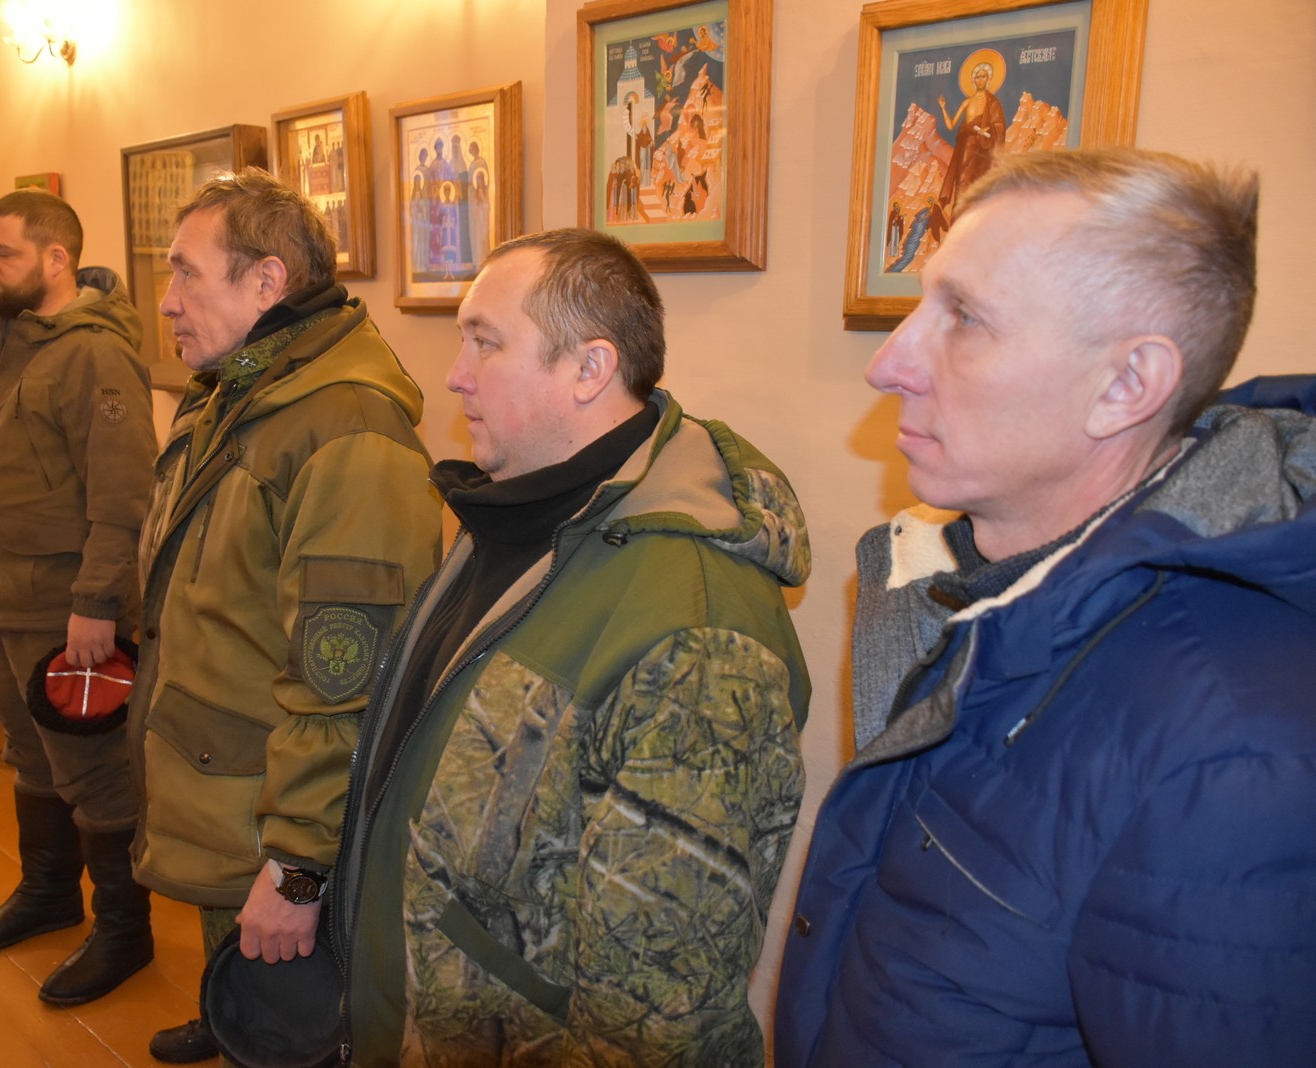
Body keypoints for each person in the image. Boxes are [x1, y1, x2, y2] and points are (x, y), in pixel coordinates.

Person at [775, 148, 1316, 1066]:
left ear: (1125, 386)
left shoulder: (1239, 750)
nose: (889, 363)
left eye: (964, 318)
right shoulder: (972, 590)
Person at [331, 228, 812, 1066]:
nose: (455, 374)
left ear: (590, 370)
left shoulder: (698, 636)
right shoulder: (518, 512)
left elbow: (657, 1020)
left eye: (486, 342)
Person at [130, 167, 441, 1064]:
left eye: (187, 273)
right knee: (242, 981)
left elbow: (349, 687)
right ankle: (228, 1015)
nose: (167, 300)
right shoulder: (235, 390)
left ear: (267, 283)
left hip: (277, 812)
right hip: (224, 781)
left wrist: (299, 869)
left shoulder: (348, 434)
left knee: (292, 1025)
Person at [0, 188, 157, 1006]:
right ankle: (48, 894)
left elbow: (123, 495)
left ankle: (124, 932)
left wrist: (98, 603)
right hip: (1, 601)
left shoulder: (93, 356)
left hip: (67, 611)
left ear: (56, 257)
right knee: (29, 757)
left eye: (4, 252)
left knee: (95, 772)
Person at [936, 56, 1007, 214]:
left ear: (988, 79)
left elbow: (999, 125)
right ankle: (960, 215)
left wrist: (989, 131)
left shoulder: (992, 102)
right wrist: (943, 108)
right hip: (966, 145)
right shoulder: (967, 102)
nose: (980, 80)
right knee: (962, 179)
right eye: (977, 77)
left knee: (980, 181)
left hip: (984, 147)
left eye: (983, 76)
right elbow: (951, 125)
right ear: (973, 80)